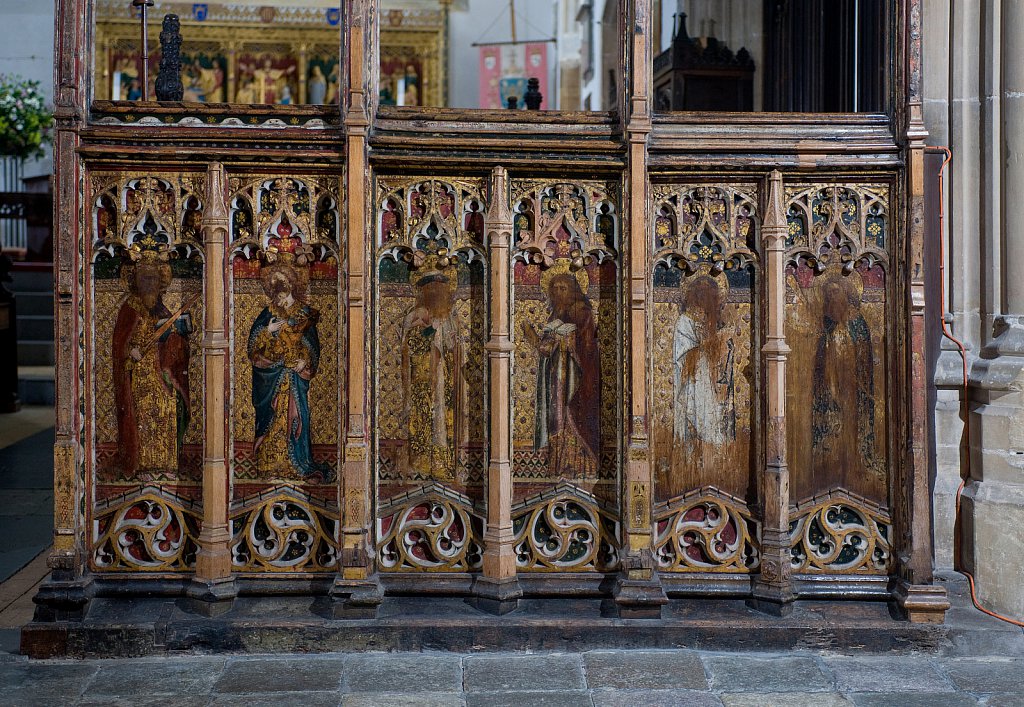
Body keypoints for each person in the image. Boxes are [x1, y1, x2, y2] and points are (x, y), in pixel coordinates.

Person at [248, 234, 331, 481]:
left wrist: (305, 362)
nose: (279, 290)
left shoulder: (305, 314)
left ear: (291, 286)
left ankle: (297, 464)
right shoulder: (267, 314)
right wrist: (268, 330)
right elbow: (253, 349)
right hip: (272, 377)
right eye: (275, 285)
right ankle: (270, 465)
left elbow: (313, 346)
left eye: (282, 284)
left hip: (294, 377)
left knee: (296, 416)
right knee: (272, 416)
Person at [112, 243, 193, 479]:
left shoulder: (161, 309)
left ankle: (166, 465)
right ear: (136, 281)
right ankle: (144, 466)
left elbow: (174, 342)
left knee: (167, 411)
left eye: (153, 279)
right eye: (145, 279)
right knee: (144, 414)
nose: (149, 284)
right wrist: (130, 351)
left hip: (162, 372)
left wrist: (178, 337)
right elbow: (119, 343)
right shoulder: (130, 308)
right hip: (141, 373)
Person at [524, 260, 601, 478]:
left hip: (577, 376)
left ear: (573, 290)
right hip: (558, 374)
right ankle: (558, 465)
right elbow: (547, 348)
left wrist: (568, 340)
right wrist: (536, 338)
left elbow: (588, 346)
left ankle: (578, 466)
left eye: (563, 288)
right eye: (555, 289)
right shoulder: (556, 315)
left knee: (571, 414)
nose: (558, 293)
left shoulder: (582, 313)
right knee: (557, 416)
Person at [400, 259, 465, 479]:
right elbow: (409, 344)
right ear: (424, 290)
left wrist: (455, 348)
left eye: (440, 287)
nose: (436, 292)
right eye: (432, 287)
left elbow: (455, 346)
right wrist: (429, 331)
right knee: (421, 416)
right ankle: (420, 462)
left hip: (442, 375)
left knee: (442, 417)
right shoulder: (415, 314)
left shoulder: (449, 316)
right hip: (421, 375)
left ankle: (442, 463)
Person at [671, 276, 735, 475]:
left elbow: (725, 355)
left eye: (710, 294)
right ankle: (691, 466)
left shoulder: (713, 322)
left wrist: (723, 345)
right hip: (693, 381)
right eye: (701, 293)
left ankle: (715, 465)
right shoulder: (685, 322)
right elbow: (682, 355)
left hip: (713, 383)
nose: (705, 298)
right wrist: (710, 344)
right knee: (694, 421)